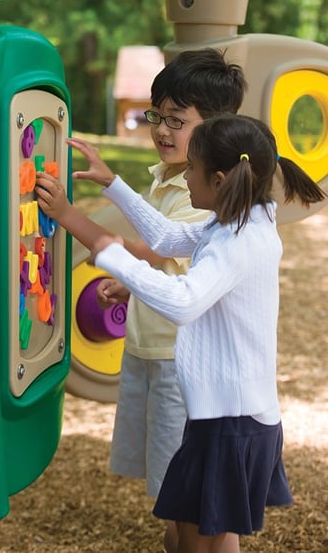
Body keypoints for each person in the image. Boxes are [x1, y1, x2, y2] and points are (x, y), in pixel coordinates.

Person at [49, 115, 325, 553]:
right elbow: (166, 237)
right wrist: (113, 185)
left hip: (231, 423)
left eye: (191, 169)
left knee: (193, 541)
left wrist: (114, 257)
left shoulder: (240, 241)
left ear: (218, 179)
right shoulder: (237, 220)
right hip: (229, 419)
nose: (186, 176)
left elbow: (184, 300)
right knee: (196, 536)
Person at [36, 48, 247, 502]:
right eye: (158, 116)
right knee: (169, 487)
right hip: (149, 348)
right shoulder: (169, 176)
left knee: (183, 493)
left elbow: (154, 249)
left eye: (176, 120)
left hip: (179, 359)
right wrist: (133, 288)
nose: (161, 130)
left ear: (212, 129)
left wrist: (69, 215)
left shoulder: (201, 193)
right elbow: (169, 266)